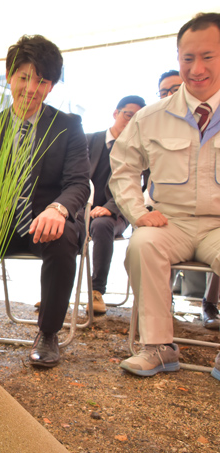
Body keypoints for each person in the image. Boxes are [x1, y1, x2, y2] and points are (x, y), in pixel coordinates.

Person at [110, 12, 220, 378]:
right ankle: (158, 346)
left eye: (208, 56)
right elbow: (123, 167)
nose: (197, 68)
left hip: (217, 227)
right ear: (178, 58)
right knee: (141, 245)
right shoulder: (151, 117)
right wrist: (137, 212)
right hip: (170, 221)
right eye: (188, 58)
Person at [0, 35, 90, 367]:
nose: (30, 88)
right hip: (1, 224)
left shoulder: (68, 126)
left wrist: (58, 209)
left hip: (46, 222)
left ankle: (49, 332)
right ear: (10, 76)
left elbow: (78, 183)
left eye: (41, 80)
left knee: (62, 236)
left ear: (51, 85)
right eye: (24, 77)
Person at [159, 70, 220, 330]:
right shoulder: (155, 123)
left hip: (213, 218)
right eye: (164, 92)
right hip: (169, 216)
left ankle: (210, 302)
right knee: (149, 240)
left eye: (175, 88)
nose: (171, 95)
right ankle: (162, 305)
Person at [83, 96, 145, 315]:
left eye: (137, 118)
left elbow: (140, 186)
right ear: (116, 113)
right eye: (128, 114)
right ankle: (55, 294)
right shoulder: (88, 140)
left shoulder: (140, 150)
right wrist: (84, 207)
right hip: (83, 208)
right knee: (60, 224)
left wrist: (111, 207)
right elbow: (72, 177)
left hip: (118, 212)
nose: (131, 121)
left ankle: (96, 291)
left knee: (102, 225)